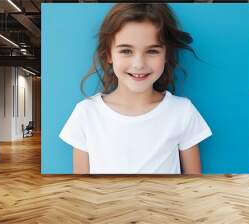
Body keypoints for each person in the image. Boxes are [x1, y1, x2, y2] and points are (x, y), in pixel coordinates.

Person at [59, 3, 212, 174]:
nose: (139, 64)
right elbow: (81, 188)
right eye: (126, 51)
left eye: (152, 51)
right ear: (109, 54)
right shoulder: (86, 113)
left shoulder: (182, 111)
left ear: (166, 55)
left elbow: (194, 184)